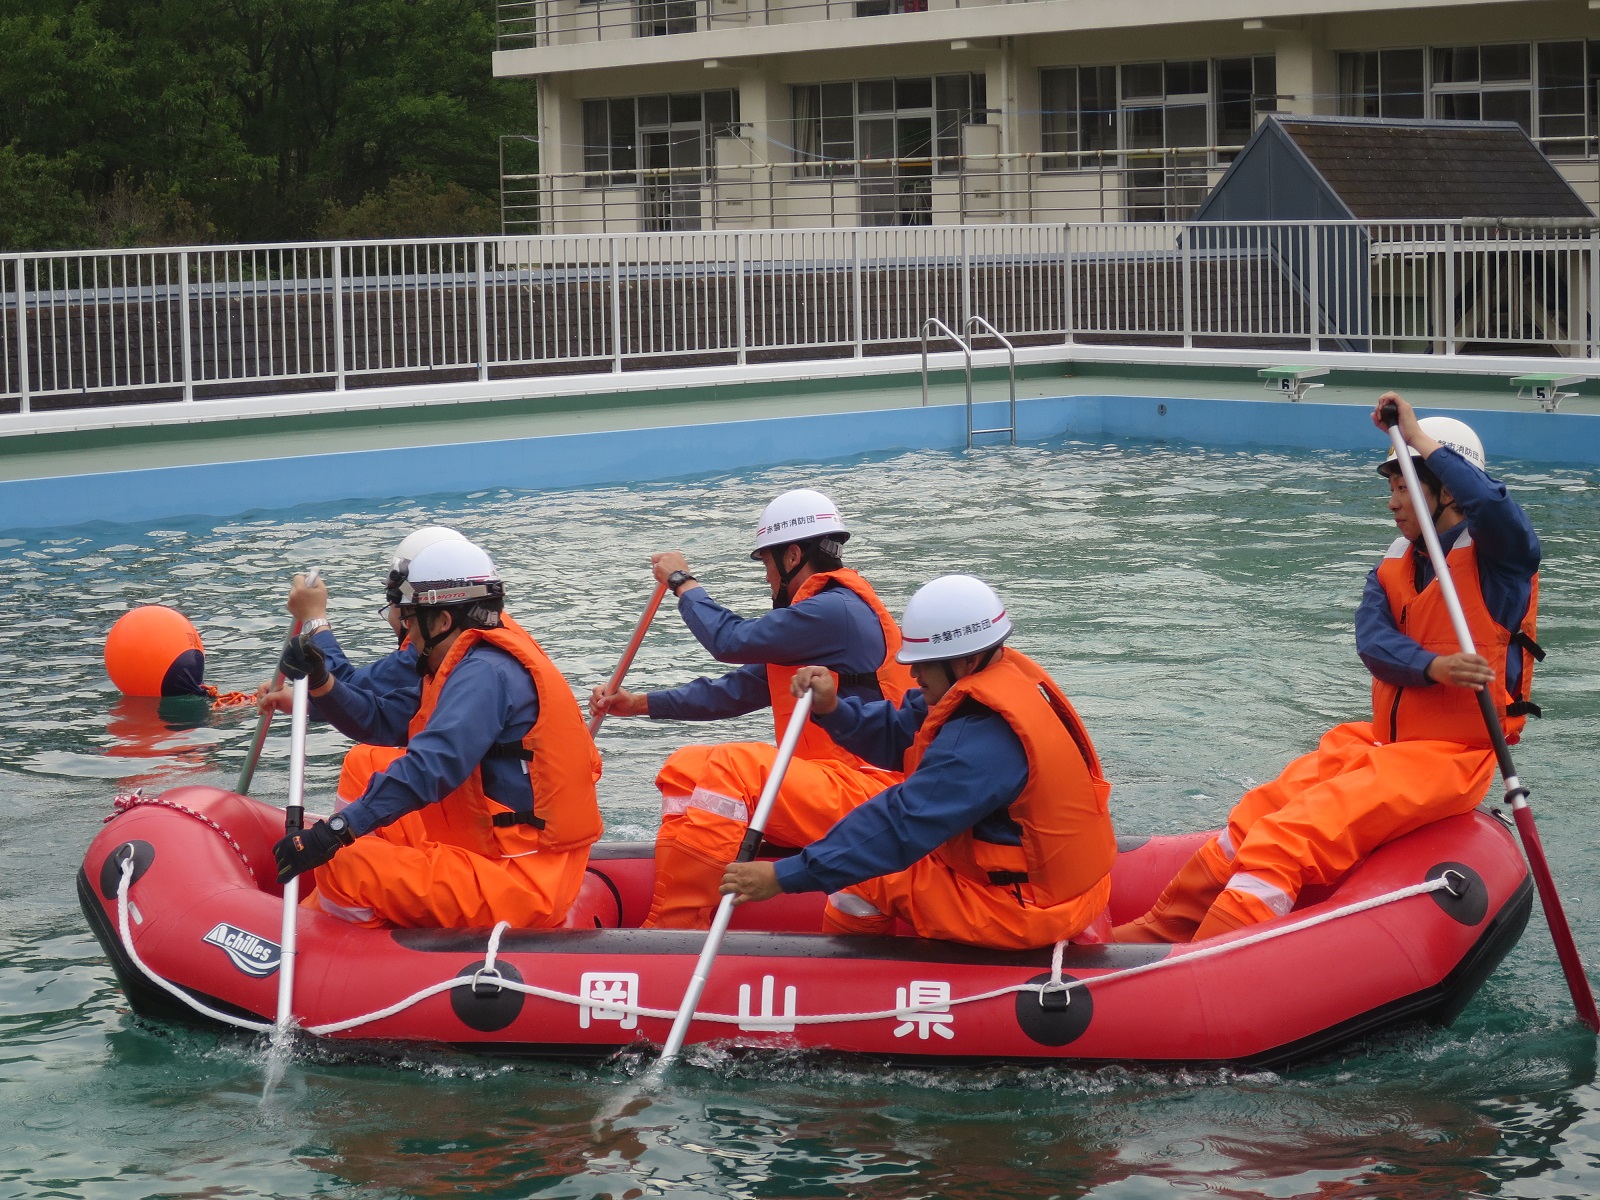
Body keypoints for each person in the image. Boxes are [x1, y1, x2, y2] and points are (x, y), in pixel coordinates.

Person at [1116, 394, 1541, 943]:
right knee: (1254, 818)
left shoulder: (1502, 560)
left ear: (1448, 491)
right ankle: (1157, 932)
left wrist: (1418, 438)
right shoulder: (1395, 564)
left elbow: (1496, 509)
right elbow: (1374, 641)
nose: (1392, 503)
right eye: (1390, 488)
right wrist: (1433, 666)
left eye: (1403, 487)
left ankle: (1201, 965)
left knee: (1288, 837)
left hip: (1451, 758)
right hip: (1385, 744)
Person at [721, 574, 1119, 950]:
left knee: (866, 880)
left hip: (1026, 909)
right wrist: (834, 710)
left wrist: (782, 876)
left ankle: (844, 983)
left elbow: (900, 824)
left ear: (963, 661)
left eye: (925, 663)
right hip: (1071, 887)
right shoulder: (994, 681)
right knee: (869, 846)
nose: (913, 673)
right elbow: (902, 733)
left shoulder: (980, 741)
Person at [589, 487, 915, 929]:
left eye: (766, 563)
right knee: (685, 767)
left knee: (730, 767)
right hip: (822, 790)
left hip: (866, 791)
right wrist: (638, 704)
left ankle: (675, 929)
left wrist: (683, 584)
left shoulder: (833, 612)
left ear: (793, 555)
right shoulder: (815, 623)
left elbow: (730, 642)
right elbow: (735, 691)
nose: (765, 577)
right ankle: (674, 915)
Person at [270, 539, 604, 929]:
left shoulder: (483, 674)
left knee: (341, 864)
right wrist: (323, 682)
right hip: (502, 853)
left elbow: (431, 766)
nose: (405, 631)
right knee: (366, 762)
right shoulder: (464, 660)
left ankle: (344, 948)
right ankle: (364, 897)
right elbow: (382, 720)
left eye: (410, 618)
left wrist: (337, 833)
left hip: (520, 881)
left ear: (442, 620)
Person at [257, 525, 467, 807]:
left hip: (500, 833)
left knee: (362, 761)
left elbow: (354, 691)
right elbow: (384, 712)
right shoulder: (464, 646)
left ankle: (343, 846)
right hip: (485, 806)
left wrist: (315, 619)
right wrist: (307, 702)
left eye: (399, 606)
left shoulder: (440, 656)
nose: (400, 618)